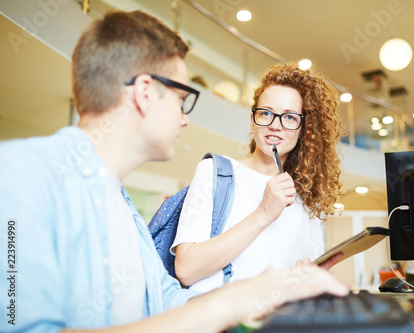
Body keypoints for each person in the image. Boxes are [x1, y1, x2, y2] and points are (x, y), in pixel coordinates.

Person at [0, 10, 349, 333]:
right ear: (145, 93)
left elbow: (168, 303)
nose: (185, 116)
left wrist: (266, 291)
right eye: (182, 98)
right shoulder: (18, 175)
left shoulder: (122, 208)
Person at [172, 62, 345, 292]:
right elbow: (186, 269)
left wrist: (307, 277)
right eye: (266, 113)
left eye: (290, 117)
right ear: (253, 120)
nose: (275, 125)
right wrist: (264, 213)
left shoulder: (304, 197)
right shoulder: (217, 172)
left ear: (304, 129)